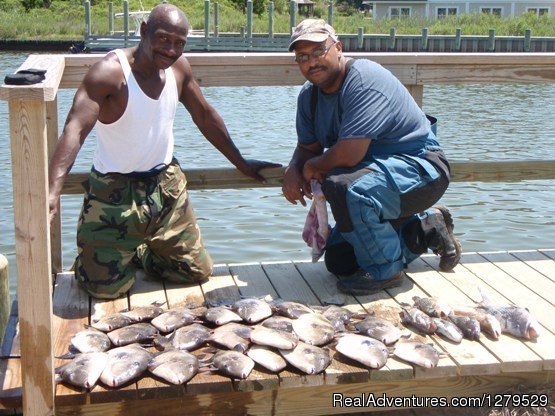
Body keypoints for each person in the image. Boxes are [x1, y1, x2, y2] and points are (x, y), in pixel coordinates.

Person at [48, 4, 280, 299]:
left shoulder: (179, 69)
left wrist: (242, 163)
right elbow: (75, 129)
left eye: (179, 43)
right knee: (104, 290)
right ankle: (99, 257)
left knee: (195, 273)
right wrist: (53, 190)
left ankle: (139, 250)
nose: (170, 50)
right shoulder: (110, 72)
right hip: (113, 193)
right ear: (144, 31)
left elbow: (205, 116)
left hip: (165, 187)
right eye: (163, 39)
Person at [282, 19, 462, 296]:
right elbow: (308, 146)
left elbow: (350, 153)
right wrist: (294, 168)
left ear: (338, 48)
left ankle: (386, 271)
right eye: (302, 57)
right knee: (340, 261)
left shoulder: (364, 79)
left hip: (420, 170)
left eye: (318, 51)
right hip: (373, 179)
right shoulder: (310, 96)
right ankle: (424, 229)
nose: (311, 62)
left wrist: (312, 166)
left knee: (342, 184)